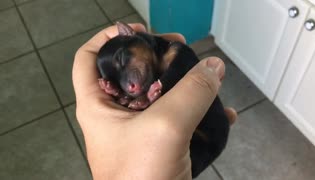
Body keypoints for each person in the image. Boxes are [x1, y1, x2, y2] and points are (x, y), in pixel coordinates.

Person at [72, 23, 237, 180]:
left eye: (122, 60)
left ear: (128, 34)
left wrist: (154, 92)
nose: (128, 85)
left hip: (208, 136)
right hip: (183, 152)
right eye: (117, 83)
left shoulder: (173, 50)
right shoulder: (142, 85)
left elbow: (182, 69)